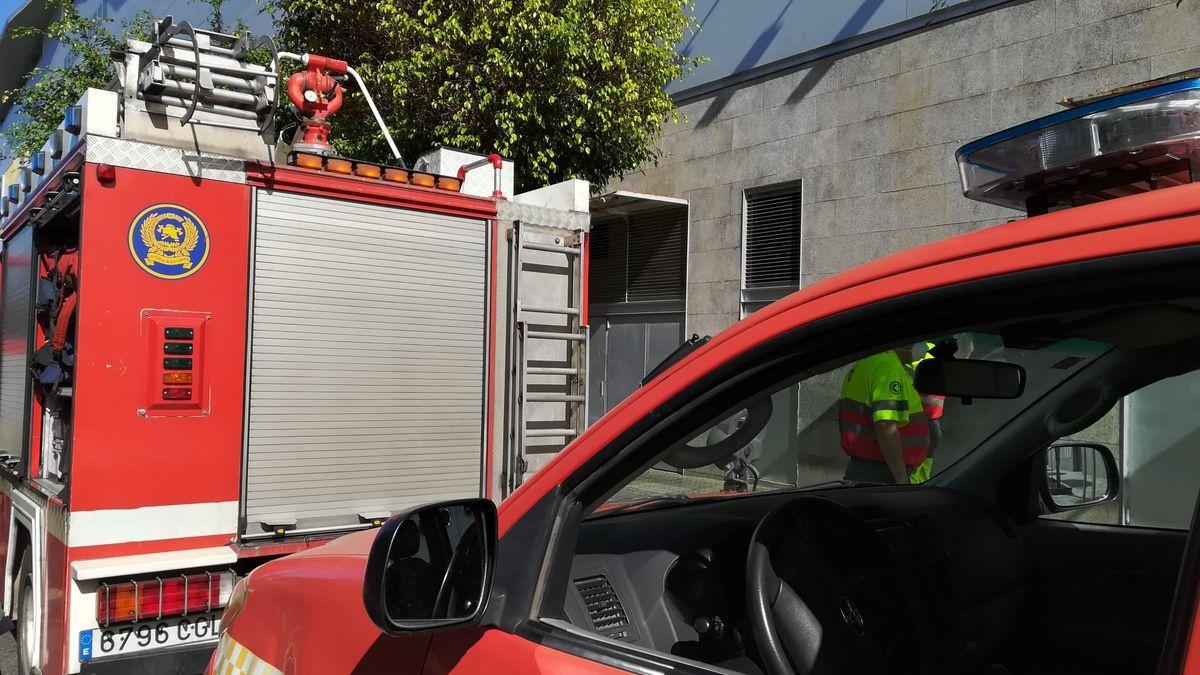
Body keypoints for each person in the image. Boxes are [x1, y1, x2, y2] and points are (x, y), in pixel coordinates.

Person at [838, 347, 931, 484]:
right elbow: (885, 425)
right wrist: (901, 478)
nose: (914, 346)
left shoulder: (866, 362)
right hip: (884, 474)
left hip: (867, 468)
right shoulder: (886, 366)